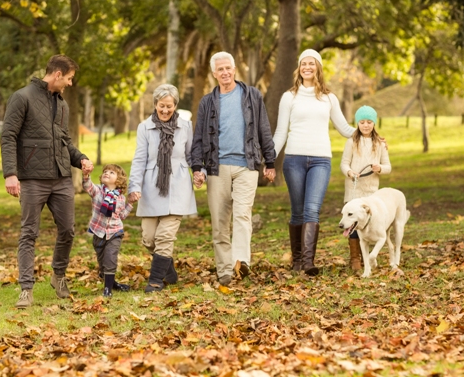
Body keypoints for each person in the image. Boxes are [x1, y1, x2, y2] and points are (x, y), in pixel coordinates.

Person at [1, 55, 93, 308]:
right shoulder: (22, 98)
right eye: (70, 78)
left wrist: (81, 159)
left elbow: (64, 141)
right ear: (57, 75)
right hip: (32, 179)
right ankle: (26, 288)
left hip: (62, 178)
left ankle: (59, 276)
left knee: (68, 230)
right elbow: (8, 136)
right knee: (29, 233)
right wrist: (11, 173)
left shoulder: (62, 105)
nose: (71, 84)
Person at [191, 52, 276, 287]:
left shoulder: (252, 95)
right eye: (220, 69)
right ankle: (225, 270)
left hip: (246, 166)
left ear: (235, 69)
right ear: (214, 73)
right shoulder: (207, 102)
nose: (225, 72)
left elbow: (263, 129)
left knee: (242, 214)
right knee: (220, 222)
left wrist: (269, 161)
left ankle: (241, 260)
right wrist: (197, 167)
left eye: (228, 68)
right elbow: (198, 137)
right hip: (216, 168)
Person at [272, 49, 355, 276]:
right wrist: (268, 158)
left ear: (318, 67)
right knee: (297, 212)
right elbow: (280, 132)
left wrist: (369, 132)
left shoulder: (329, 98)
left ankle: (308, 263)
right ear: (299, 68)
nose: (307, 67)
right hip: (294, 160)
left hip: (321, 160)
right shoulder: (289, 97)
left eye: (311, 63)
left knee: (311, 210)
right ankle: (297, 261)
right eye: (303, 63)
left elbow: (345, 129)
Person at [128, 84, 197, 293]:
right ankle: (168, 269)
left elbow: (191, 154)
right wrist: (134, 186)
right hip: (151, 188)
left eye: (169, 106)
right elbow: (139, 159)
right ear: (155, 105)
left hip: (178, 187)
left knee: (165, 237)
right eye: (161, 106)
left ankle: (156, 280)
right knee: (149, 239)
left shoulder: (185, 126)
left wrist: (199, 172)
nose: (165, 110)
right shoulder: (145, 127)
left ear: (175, 105)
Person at [340, 105, 391, 271]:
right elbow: (344, 163)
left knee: (369, 222)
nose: (366, 125)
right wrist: (349, 172)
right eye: (362, 122)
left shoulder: (380, 144)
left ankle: (367, 258)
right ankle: (354, 259)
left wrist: (380, 168)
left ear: (374, 123)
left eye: (369, 122)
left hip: (371, 193)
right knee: (352, 223)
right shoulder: (351, 142)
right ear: (357, 123)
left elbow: (388, 166)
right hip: (354, 190)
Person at [82, 164, 133, 297]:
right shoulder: (98, 191)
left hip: (115, 232)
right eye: (105, 171)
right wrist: (86, 175)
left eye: (112, 172)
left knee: (111, 258)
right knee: (103, 263)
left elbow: (122, 216)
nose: (107, 173)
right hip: (98, 232)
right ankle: (112, 283)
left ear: (119, 180)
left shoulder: (121, 198)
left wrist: (130, 204)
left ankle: (107, 290)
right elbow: (88, 186)